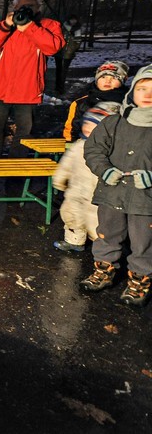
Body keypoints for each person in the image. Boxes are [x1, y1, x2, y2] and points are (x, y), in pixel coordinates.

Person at [82, 64, 152, 306]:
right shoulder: (114, 122)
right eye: (142, 88)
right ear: (132, 91)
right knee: (107, 233)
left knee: (144, 240)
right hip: (113, 191)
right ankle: (104, 270)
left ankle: (140, 280)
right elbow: (93, 149)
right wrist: (105, 170)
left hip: (146, 199)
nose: (148, 94)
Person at [0, 0, 64, 158]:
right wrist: (5, 26)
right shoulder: (8, 24)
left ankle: (16, 167)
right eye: (22, 7)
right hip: (1, 87)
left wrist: (29, 27)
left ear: (38, 8)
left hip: (28, 90)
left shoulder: (49, 25)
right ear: (14, 8)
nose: (26, 9)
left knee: (24, 131)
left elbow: (53, 47)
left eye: (31, 6)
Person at [52, 102, 121, 253]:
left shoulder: (110, 151)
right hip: (75, 191)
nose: (88, 128)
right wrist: (59, 178)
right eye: (87, 124)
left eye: (94, 126)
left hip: (95, 196)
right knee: (71, 215)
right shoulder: (79, 145)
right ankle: (74, 241)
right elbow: (67, 163)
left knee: (95, 221)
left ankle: (102, 247)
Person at [62, 60, 129, 142]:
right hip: (87, 145)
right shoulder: (81, 103)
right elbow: (71, 128)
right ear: (97, 80)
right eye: (103, 77)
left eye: (114, 78)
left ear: (122, 82)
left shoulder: (128, 102)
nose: (108, 81)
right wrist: (71, 142)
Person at [55, 14, 83, 94]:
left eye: (75, 19)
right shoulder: (63, 27)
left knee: (64, 71)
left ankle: (61, 88)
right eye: (71, 19)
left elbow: (78, 41)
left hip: (69, 53)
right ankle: (57, 87)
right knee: (58, 70)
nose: (73, 21)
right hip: (59, 51)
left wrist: (73, 49)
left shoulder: (77, 29)